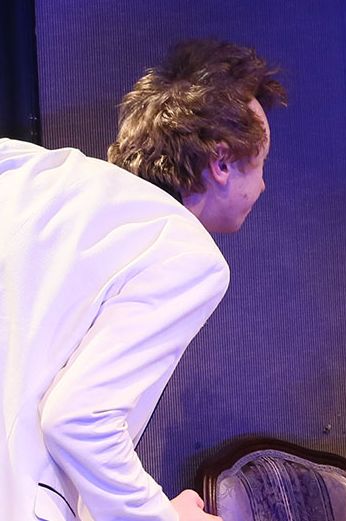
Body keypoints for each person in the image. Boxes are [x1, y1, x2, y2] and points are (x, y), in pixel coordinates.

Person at [0, 40, 285, 520]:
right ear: (220, 163)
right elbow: (78, 421)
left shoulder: (23, 168)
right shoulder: (186, 251)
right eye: (260, 164)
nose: (262, 185)